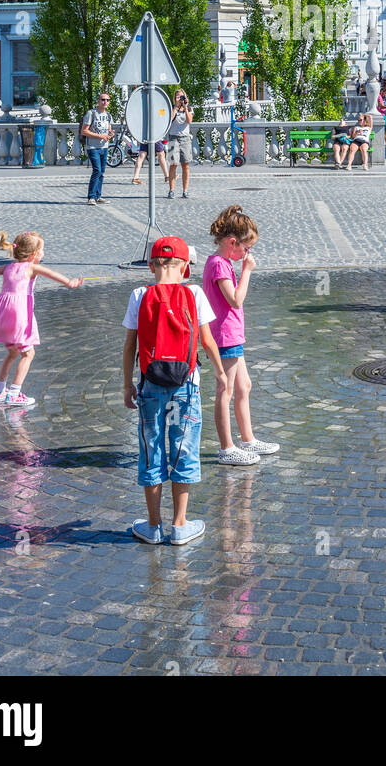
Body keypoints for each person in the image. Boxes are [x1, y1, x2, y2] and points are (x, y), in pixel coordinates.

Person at [122, 235, 227, 545]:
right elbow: (207, 341)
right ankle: (180, 525)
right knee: (183, 449)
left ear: (152, 265)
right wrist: (221, 375)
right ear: (185, 267)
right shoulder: (193, 293)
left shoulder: (139, 294)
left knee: (151, 450)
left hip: (150, 385)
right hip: (187, 386)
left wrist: (126, 384)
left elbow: (130, 345)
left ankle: (153, 526)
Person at [0, 229, 82, 408]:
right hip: (19, 313)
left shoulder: (9, 267)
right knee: (28, 353)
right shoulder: (32, 267)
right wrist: (69, 283)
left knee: (12, 352)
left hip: (2, 312)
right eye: (42, 251)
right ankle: (14, 393)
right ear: (33, 255)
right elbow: (51, 274)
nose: (43, 254)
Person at [202, 205, 280, 468]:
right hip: (225, 337)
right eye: (246, 248)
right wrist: (247, 270)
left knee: (244, 386)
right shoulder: (219, 265)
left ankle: (247, 439)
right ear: (231, 242)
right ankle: (227, 447)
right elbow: (235, 300)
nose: (248, 253)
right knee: (225, 390)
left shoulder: (221, 262)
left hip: (232, 336)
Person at [81, 91, 115, 204]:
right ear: (98, 101)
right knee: (97, 170)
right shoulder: (91, 113)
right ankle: (91, 197)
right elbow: (84, 131)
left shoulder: (108, 115)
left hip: (104, 147)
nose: (105, 102)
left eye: (107, 100)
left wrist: (111, 134)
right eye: (103, 99)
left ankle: (98, 195)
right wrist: (100, 136)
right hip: (93, 147)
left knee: (102, 172)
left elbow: (109, 130)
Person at [166, 88, 194, 200]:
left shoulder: (189, 108)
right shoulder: (172, 108)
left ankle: (185, 190)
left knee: (185, 165)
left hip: (185, 138)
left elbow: (189, 121)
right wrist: (176, 107)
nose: (180, 99)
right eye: (178, 97)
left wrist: (185, 107)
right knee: (173, 164)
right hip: (173, 137)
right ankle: (171, 190)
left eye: (182, 97)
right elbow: (169, 120)